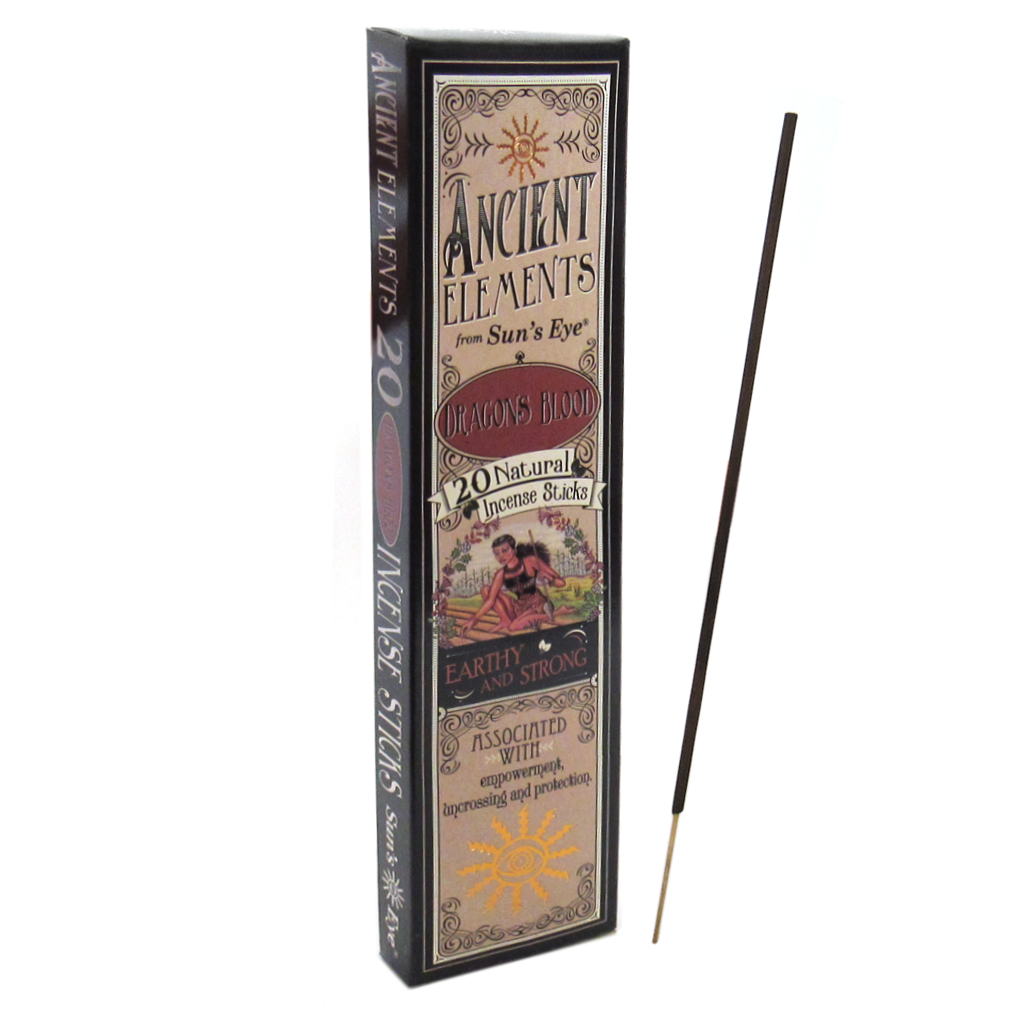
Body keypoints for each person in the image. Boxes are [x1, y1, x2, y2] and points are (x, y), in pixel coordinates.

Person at [460, 534, 565, 635]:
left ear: (514, 551)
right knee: (486, 590)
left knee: (513, 627)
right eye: (496, 553)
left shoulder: (530, 561)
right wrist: (473, 620)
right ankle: (505, 619)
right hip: (519, 606)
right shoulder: (501, 574)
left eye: (505, 550)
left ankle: (558, 612)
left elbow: (561, 583)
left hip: (537, 605)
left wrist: (548, 578)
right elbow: (491, 600)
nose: (501, 556)